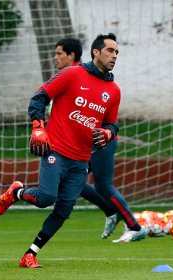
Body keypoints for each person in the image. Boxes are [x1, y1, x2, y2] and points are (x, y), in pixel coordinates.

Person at [0, 33, 137, 269]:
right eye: (110, 51)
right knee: (46, 198)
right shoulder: (73, 74)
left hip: (81, 161)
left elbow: (113, 123)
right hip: (56, 151)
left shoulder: (113, 91)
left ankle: (30, 254)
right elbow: (39, 98)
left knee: (62, 211)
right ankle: (16, 192)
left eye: (117, 53)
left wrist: (108, 133)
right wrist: (38, 127)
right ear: (96, 52)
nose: (114, 56)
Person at [53, 38, 146, 242]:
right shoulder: (69, 76)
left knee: (102, 185)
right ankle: (111, 211)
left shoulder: (84, 76)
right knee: (67, 180)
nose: (55, 57)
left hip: (100, 141)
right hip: (79, 144)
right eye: (110, 51)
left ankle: (134, 225)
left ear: (71, 56)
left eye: (59, 53)